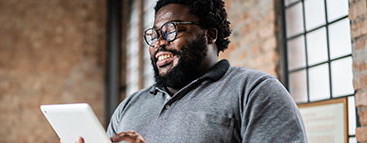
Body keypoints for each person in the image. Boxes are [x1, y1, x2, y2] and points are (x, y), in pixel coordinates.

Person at [78, 0, 307, 142]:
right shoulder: (128, 107)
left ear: (209, 35)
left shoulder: (255, 92)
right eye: (154, 35)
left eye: (171, 31)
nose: (158, 43)